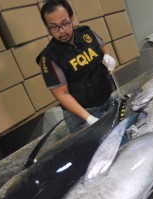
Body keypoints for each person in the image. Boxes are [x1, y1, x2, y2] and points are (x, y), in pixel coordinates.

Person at [37, 0, 117, 133]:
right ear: (47, 27)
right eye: (54, 27)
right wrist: (89, 118)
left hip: (108, 100)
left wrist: (107, 56)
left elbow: (103, 46)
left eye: (65, 23)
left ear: (72, 19)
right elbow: (62, 94)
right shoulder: (50, 57)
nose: (61, 31)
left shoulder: (87, 33)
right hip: (84, 115)